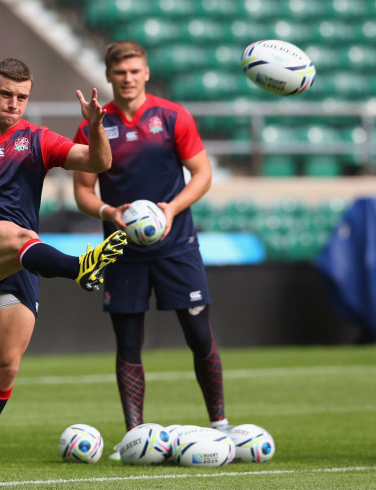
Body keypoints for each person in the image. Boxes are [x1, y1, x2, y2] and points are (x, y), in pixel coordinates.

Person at [0, 58, 127, 485]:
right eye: (5, 94)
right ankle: (79, 268)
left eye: (22, 97)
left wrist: (95, 127)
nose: (14, 104)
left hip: (23, 258)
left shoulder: (37, 139)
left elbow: (98, 164)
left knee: (4, 367)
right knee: (17, 236)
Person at [72, 41, 231, 456]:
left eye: (135, 70)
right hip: (121, 248)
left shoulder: (172, 115)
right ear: (108, 75)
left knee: (199, 335)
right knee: (128, 341)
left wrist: (171, 210)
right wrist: (110, 211)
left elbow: (202, 173)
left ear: (146, 73)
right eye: (120, 72)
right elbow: (83, 192)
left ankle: (221, 424)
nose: (127, 78)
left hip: (177, 245)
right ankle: (135, 435)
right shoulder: (94, 125)